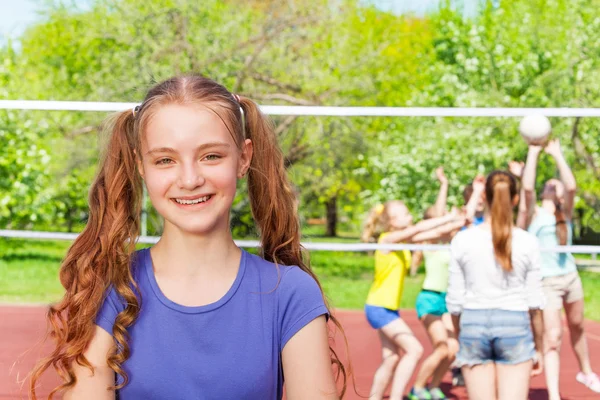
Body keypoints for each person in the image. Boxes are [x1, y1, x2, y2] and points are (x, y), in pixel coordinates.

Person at [30, 75, 345, 399]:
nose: (190, 179)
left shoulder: (291, 294)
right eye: (165, 160)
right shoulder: (109, 287)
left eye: (211, 156)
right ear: (141, 165)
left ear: (244, 157)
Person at [447, 170, 545, 400]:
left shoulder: (462, 240)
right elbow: (535, 303)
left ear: (485, 198)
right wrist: (539, 347)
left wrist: (463, 336)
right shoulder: (528, 242)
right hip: (514, 324)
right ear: (515, 199)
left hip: (473, 321)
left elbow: (454, 302)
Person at [518, 139, 600, 399]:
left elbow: (572, 184)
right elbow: (527, 188)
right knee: (552, 338)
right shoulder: (533, 214)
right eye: (550, 185)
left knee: (576, 325)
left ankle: (586, 372)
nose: (554, 185)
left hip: (570, 278)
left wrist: (556, 154)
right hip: (547, 282)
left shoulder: (564, 212)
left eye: (557, 186)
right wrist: (532, 153)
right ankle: (554, 395)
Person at [362, 200, 466, 400]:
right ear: (392, 221)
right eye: (405, 213)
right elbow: (420, 227)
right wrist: (449, 217)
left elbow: (433, 234)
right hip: (379, 306)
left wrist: (457, 222)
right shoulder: (387, 239)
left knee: (391, 358)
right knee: (415, 350)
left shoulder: (401, 242)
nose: (410, 216)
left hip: (388, 308)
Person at [408, 167, 460, 400]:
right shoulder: (431, 242)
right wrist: (444, 185)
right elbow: (440, 216)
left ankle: (434, 387)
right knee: (441, 347)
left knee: (453, 350)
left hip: (447, 301)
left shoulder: (455, 242)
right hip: (429, 298)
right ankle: (417, 389)